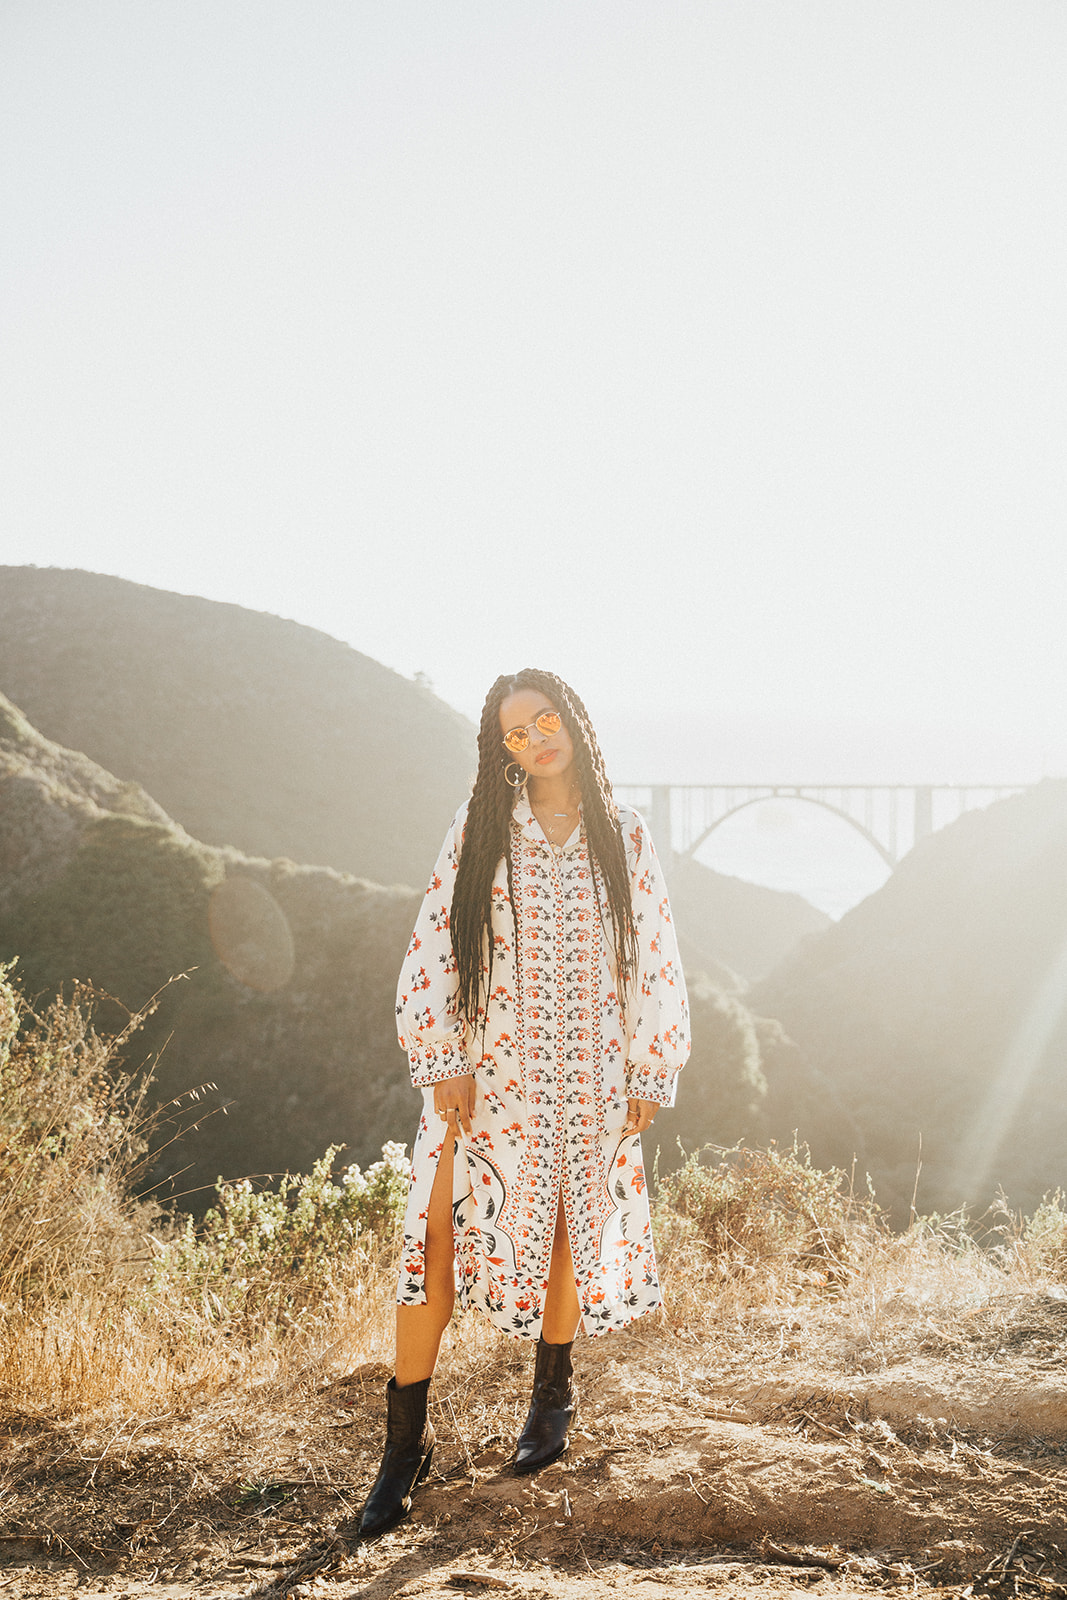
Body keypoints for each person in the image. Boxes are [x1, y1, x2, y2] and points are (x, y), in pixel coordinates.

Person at [358, 668, 690, 1538]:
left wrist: (650, 1067)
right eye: (515, 733)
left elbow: (654, 954)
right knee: (431, 1239)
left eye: (545, 720)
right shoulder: (480, 829)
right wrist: (442, 1060)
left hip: (589, 1073)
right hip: (485, 1075)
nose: (536, 739)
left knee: (563, 1238)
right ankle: (404, 1449)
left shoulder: (625, 835)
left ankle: (552, 1392)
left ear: (572, 720)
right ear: (499, 751)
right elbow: (435, 943)